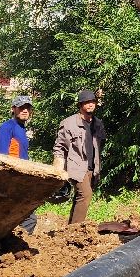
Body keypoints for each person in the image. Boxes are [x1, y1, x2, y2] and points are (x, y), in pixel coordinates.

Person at [53, 89, 106, 226]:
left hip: (92, 168)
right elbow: (59, 148)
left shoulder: (98, 124)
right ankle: (76, 230)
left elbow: (100, 146)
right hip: (76, 167)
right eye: (87, 102)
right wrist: (58, 171)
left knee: (79, 197)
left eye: (92, 102)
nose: (90, 105)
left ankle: (70, 227)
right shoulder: (69, 123)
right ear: (80, 105)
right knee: (86, 195)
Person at [0, 95, 39, 232]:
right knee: (28, 217)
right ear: (13, 109)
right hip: (12, 180)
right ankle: (15, 244)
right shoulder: (7, 127)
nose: (25, 110)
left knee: (24, 216)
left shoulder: (21, 128)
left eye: (28, 107)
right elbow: (2, 157)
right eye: (21, 107)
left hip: (22, 178)